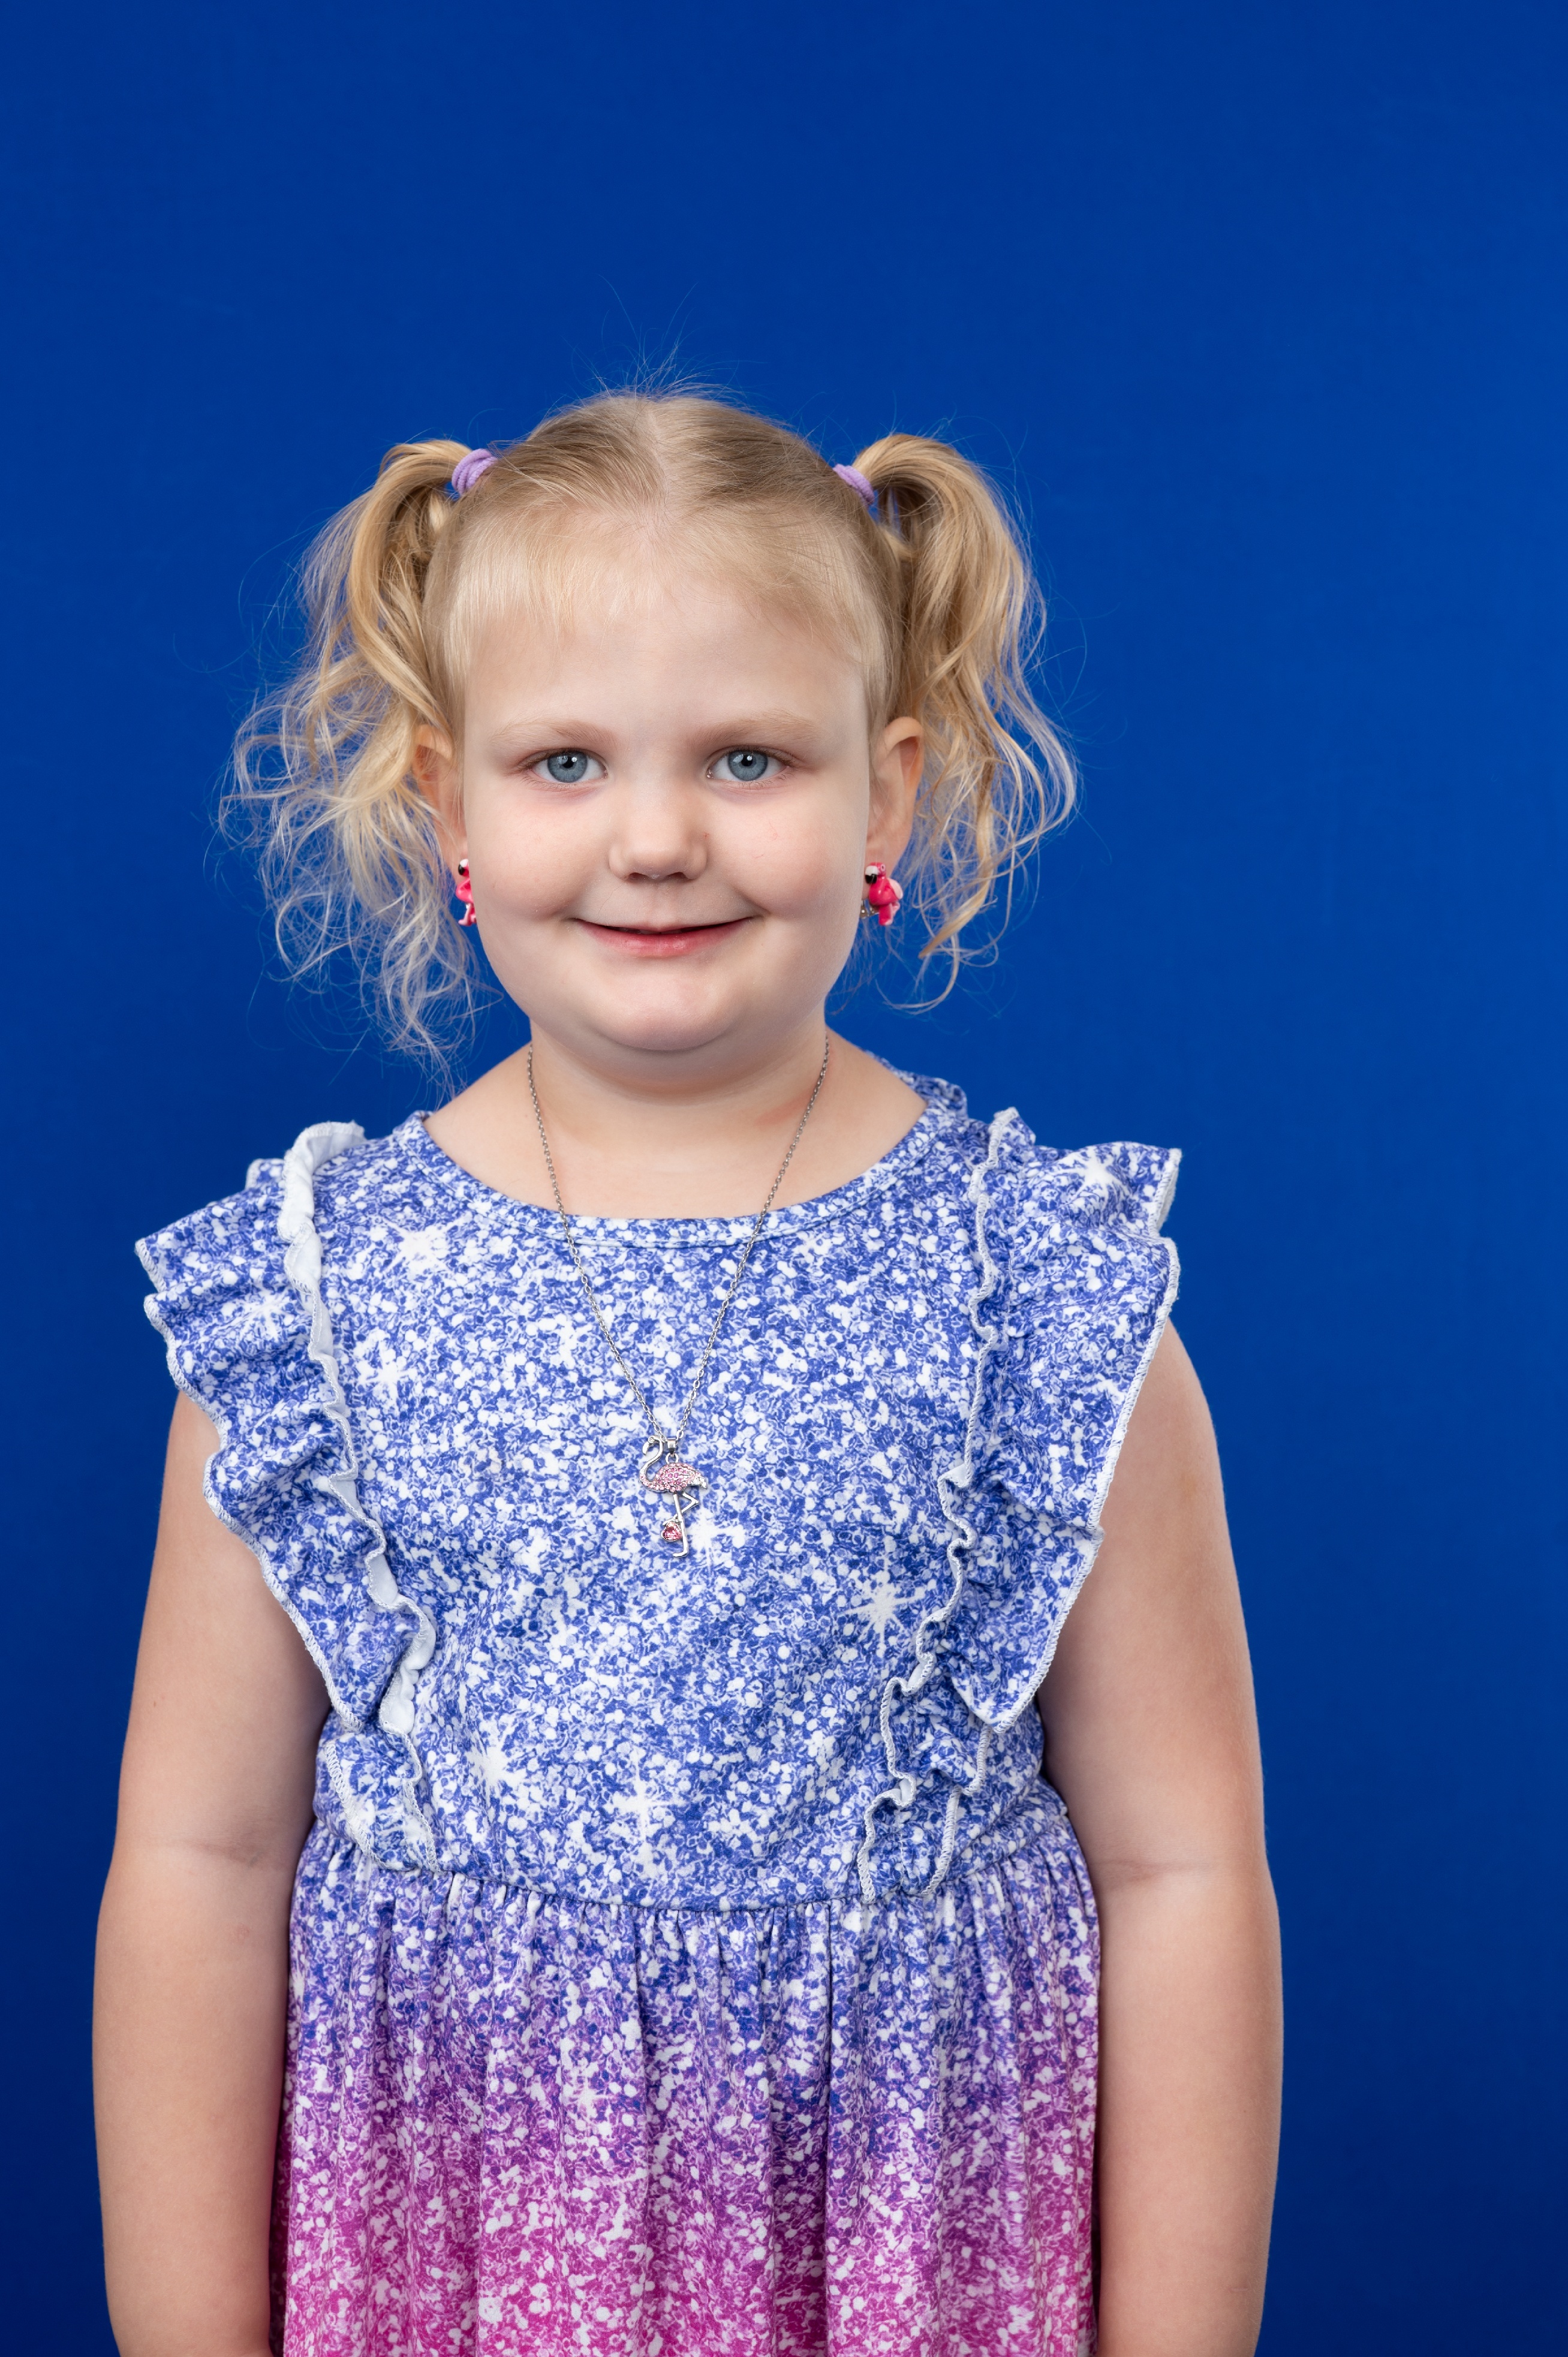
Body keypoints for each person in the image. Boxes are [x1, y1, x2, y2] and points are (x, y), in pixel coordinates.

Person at [94, 392, 1281, 2357]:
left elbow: (1184, 1868)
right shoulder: (315, 1303)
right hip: (463, 2249)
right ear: (448, 800)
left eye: (750, 757)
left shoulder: (1039, 1292)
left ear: (886, 794)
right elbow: (199, 1859)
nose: (656, 838)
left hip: (910, 2252)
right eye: (565, 760)